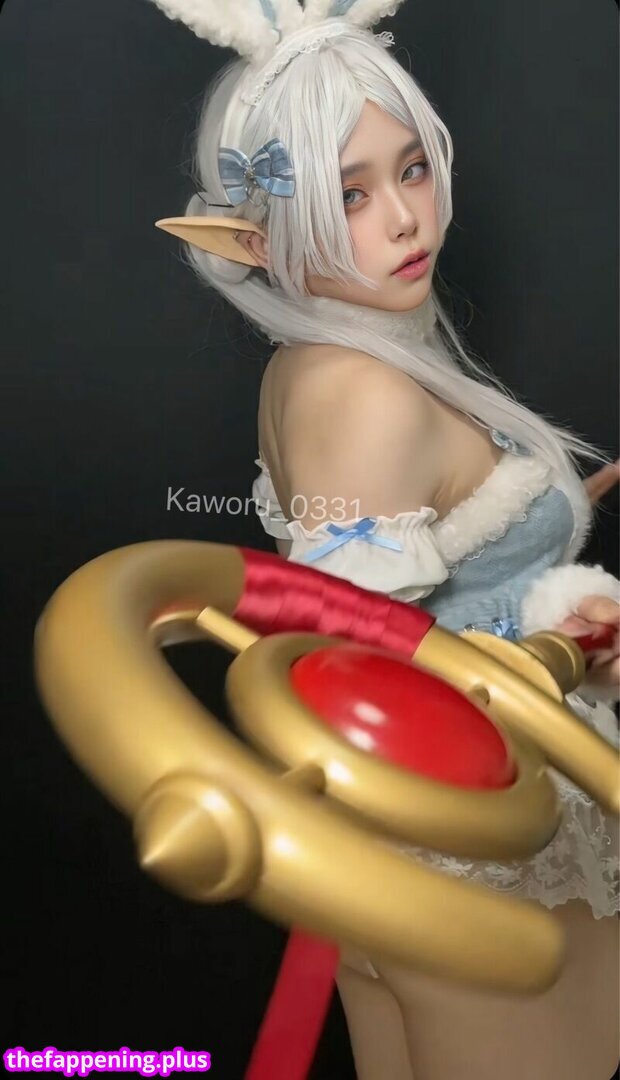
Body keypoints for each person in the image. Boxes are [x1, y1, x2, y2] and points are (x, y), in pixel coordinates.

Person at [150, 2, 619, 1076]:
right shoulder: (362, 390)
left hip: (433, 850)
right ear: (261, 234)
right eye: (348, 195)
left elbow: (403, 564)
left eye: (411, 170)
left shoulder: (319, 362)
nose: (405, 219)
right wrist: (560, 639)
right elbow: (363, 654)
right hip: (476, 840)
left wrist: (540, 521)